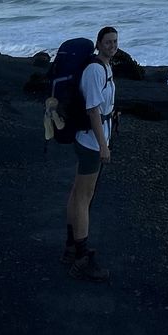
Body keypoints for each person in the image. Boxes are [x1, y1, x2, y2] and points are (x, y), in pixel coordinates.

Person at [63, 25, 118, 282]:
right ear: (98, 43)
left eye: (115, 41)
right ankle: (81, 258)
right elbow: (93, 110)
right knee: (85, 197)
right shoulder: (96, 70)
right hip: (90, 142)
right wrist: (103, 145)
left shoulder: (105, 66)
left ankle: (71, 247)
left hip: (88, 139)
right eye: (107, 42)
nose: (112, 45)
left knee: (77, 192)